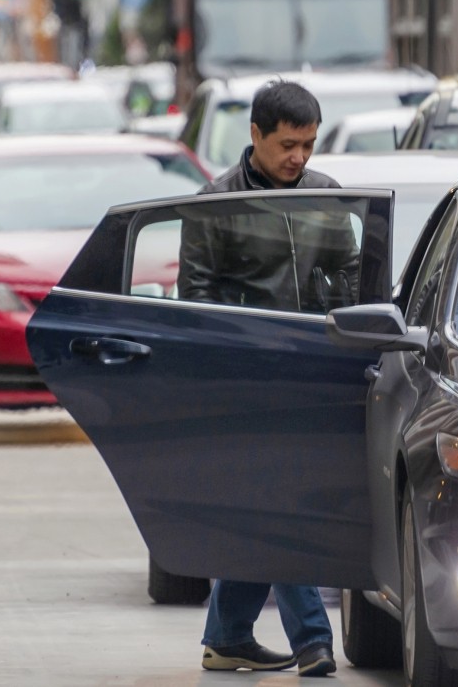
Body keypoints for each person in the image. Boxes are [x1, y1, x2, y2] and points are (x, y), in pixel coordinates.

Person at [177, 79, 359, 677]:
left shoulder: (327, 197)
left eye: (307, 145)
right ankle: (313, 639)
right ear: (254, 135)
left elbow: (355, 279)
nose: (298, 158)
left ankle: (228, 635)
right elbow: (196, 300)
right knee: (284, 504)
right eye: (287, 145)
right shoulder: (215, 203)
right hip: (245, 381)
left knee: (263, 507)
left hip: (314, 375)